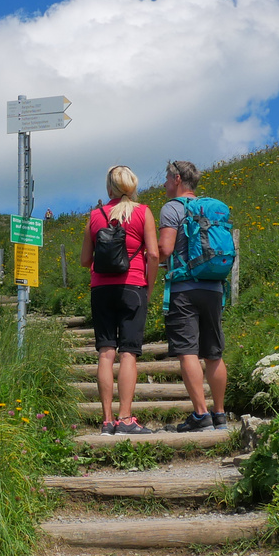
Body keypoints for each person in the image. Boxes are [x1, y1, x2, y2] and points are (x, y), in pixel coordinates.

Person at [80, 165, 159, 435]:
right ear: (132, 186)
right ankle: (125, 419)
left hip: (101, 289)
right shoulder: (143, 212)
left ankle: (106, 421)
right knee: (128, 353)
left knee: (105, 352)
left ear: (109, 188)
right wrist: (149, 287)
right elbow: (154, 255)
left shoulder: (95, 216)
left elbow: (83, 260)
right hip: (133, 286)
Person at [158, 159, 229, 431]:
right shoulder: (211, 207)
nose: (164, 183)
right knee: (214, 352)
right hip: (213, 287)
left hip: (184, 289)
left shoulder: (172, 208)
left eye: (166, 178)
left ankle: (201, 415)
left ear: (177, 179)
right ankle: (220, 413)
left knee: (187, 350)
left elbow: (165, 249)